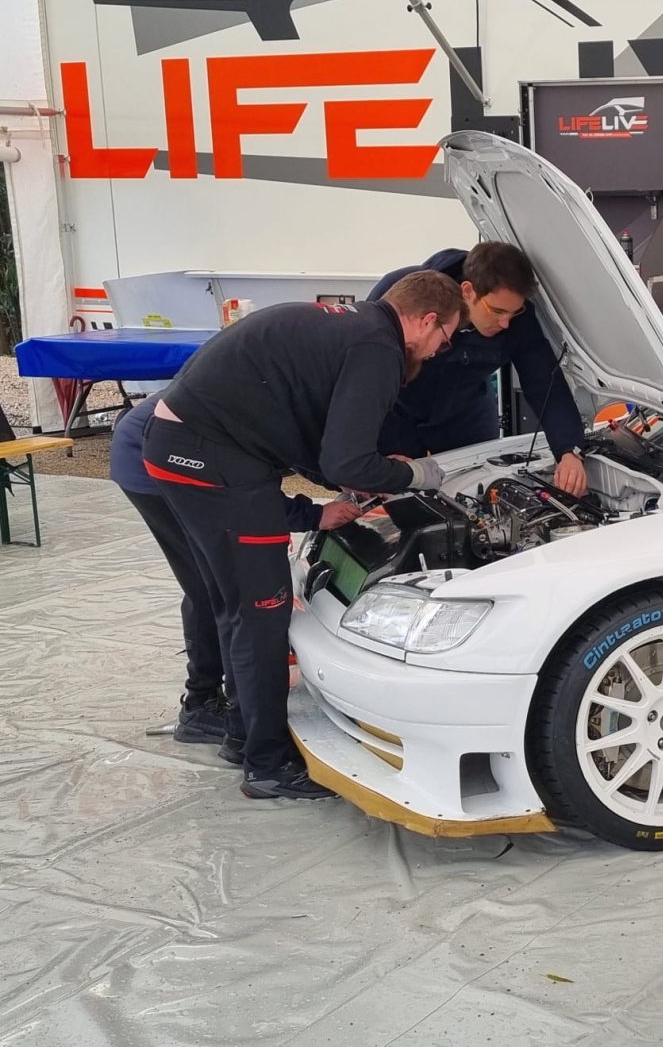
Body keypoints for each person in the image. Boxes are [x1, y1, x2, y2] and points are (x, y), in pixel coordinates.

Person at [140, 272, 465, 800]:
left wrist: (350, 482)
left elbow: (308, 435)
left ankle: (243, 736)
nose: (436, 353)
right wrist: (415, 474)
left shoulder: (350, 326)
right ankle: (268, 766)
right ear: (427, 320)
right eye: (444, 340)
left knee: (236, 605)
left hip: (182, 446)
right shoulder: (378, 348)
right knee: (263, 613)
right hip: (212, 460)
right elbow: (345, 461)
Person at [110, 395, 361, 747]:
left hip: (175, 449)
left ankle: (223, 705)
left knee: (214, 586)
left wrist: (350, 481)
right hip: (158, 463)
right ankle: (205, 707)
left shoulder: (301, 393)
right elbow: (243, 491)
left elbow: (298, 456)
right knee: (212, 589)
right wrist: (313, 515)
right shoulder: (282, 400)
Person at [369, 241, 589, 496]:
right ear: (468, 291)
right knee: (393, 494)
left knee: (477, 491)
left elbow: (543, 382)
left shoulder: (517, 317)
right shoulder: (403, 294)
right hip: (398, 410)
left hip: (465, 411)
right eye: (497, 311)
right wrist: (362, 453)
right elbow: (362, 376)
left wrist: (568, 450)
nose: (505, 323)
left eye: (513, 312)